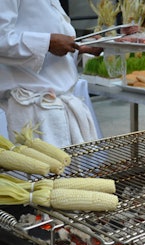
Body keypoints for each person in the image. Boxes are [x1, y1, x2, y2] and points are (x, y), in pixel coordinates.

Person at [0, 0, 104, 147]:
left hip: (59, 108)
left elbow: (50, 47)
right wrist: (47, 43)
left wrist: (79, 47)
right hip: (32, 113)